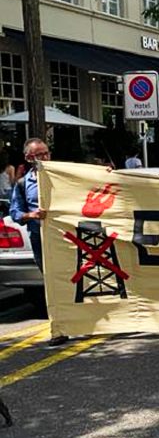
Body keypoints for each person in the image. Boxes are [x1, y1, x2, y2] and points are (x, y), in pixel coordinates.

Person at [11, 139, 59, 345]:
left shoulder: (62, 176)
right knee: (50, 282)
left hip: (65, 238)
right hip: (40, 239)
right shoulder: (23, 184)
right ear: (28, 158)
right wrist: (31, 215)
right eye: (39, 155)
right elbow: (15, 212)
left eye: (46, 153)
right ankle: (59, 328)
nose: (44, 158)